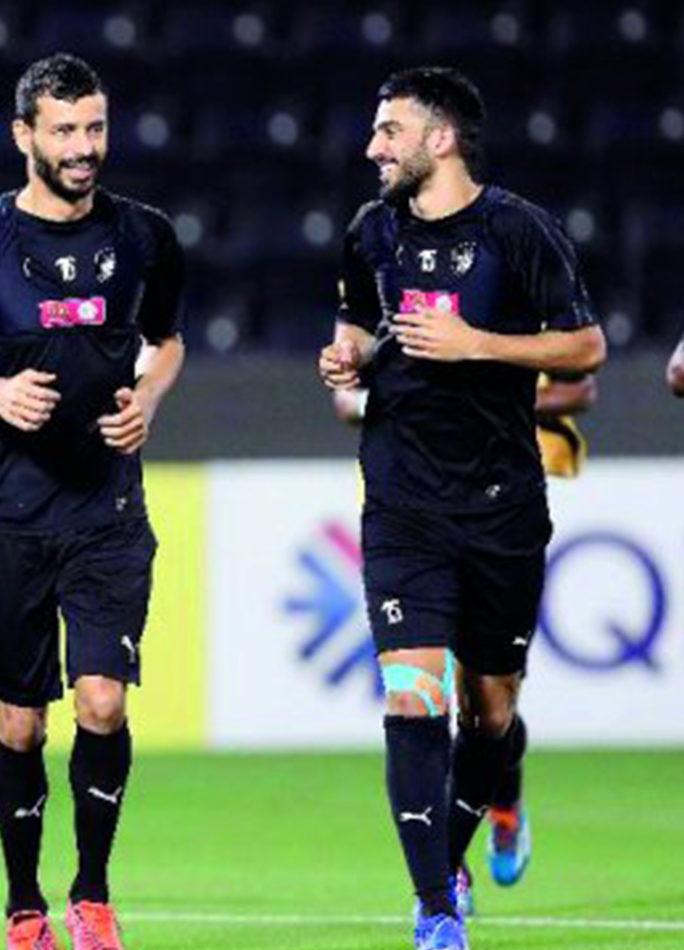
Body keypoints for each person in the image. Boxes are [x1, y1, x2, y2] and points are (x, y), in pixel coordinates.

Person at [318, 66, 604, 950]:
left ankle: (488, 815)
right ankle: (438, 908)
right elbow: (360, 331)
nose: (374, 148)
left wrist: (478, 343)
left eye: (390, 131)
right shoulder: (371, 233)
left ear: (440, 139)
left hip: (502, 505)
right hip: (402, 502)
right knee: (413, 699)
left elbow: (587, 346)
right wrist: (345, 357)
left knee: (489, 711)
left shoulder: (519, 232)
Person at [0, 53, 186, 950]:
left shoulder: (145, 236)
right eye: (64, 130)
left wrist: (147, 397)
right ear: (24, 135)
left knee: (102, 702)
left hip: (106, 512)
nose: (84, 147)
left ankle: (92, 894)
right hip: (9, 519)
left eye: (95, 127)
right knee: (20, 723)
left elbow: (168, 341)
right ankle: (24, 904)